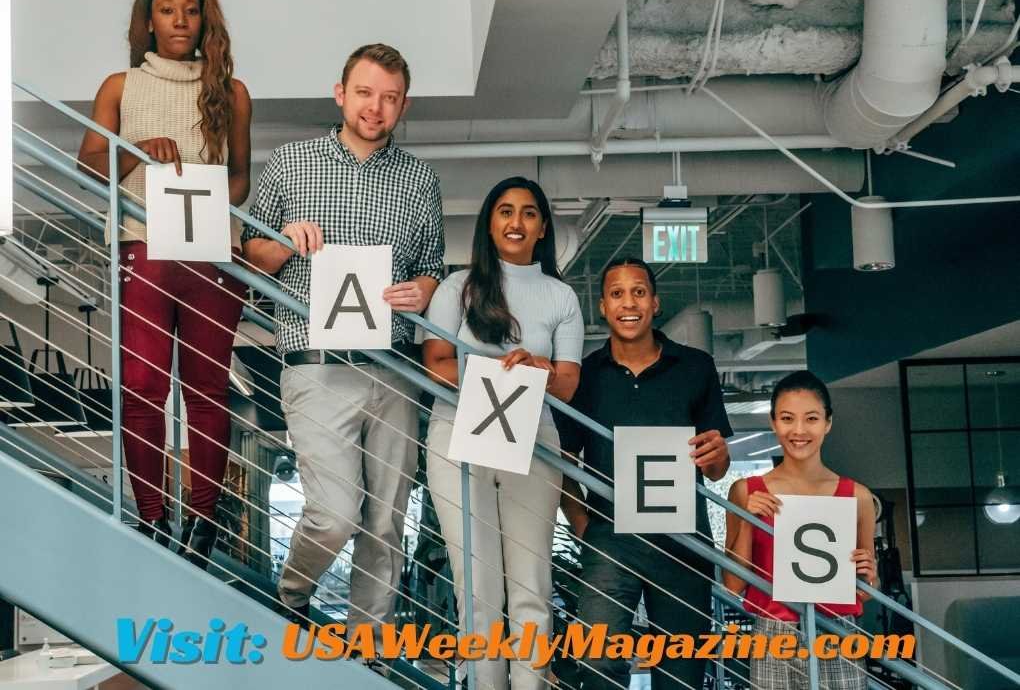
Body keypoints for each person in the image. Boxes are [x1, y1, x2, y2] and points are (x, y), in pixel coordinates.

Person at [242, 43, 444, 631]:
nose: (375, 108)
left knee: (385, 522)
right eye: (364, 93)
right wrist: (281, 240)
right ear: (340, 93)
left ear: (403, 104)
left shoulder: (421, 180)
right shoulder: (291, 162)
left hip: (394, 365)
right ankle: (293, 596)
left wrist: (426, 288)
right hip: (317, 364)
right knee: (333, 514)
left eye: (388, 98)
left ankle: (368, 647)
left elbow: (432, 263)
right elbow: (251, 258)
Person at [77, 0, 252, 568]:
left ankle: (201, 524)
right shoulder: (120, 86)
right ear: (148, 20)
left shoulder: (231, 91)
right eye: (168, 9)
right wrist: (136, 152)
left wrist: (204, 199)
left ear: (206, 19)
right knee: (144, 386)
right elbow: (90, 166)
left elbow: (239, 180)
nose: (180, 20)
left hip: (209, 253)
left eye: (191, 9)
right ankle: (153, 517)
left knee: (206, 391)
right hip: (143, 246)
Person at [424, 177, 583, 690]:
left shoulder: (560, 295)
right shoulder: (457, 287)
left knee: (531, 583)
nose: (517, 222)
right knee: (478, 585)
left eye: (529, 213)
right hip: (459, 435)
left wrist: (537, 366)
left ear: (543, 228)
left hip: (534, 436)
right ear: (489, 224)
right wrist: (496, 369)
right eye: (506, 211)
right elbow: (435, 366)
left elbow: (567, 386)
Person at [557, 257, 732, 690]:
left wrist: (716, 456)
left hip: (682, 539)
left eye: (638, 292)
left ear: (655, 303)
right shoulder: (586, 376)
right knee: (597, 660)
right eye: (617, 293)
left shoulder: (695, 367)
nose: (628, 303)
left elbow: (717, 466)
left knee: (682, 671)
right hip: (609, 539)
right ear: (602, 306)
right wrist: (581, 523)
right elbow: (562, 458)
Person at [723, 371, 878, 690]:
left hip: (837, 630)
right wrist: (749, 521)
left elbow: (864, 589)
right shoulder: (746, 490)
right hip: (773, 631)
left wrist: (868, 574)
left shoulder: (857, 496)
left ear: (828, 423)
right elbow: (733, 584)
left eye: (811, 418)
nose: (799, 430)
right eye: (787, 418)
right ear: (773, 423)